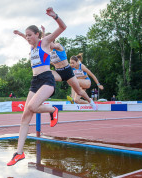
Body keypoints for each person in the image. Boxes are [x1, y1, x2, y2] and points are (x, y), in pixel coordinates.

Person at [7, 7, 65, 166]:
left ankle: (53, 110)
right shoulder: (31, 47)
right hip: (35, 81)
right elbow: (25, 38)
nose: (27, 38)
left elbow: (62, 27)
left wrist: (55, 16)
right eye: (26, 36)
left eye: (29, 35)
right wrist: (20, 34)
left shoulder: (45, 42)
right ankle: (19, 153)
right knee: (25, 116)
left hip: (47, 79)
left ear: (37, 35)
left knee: (32, 107)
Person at [14, 28, 97, 109]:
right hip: (58, 73)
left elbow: (50, 43)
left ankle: (90, 100)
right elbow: (34, 42)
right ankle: (40, 96)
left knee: (79, 91)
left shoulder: (57, 45)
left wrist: (43, 34)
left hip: (67, 71)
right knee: (43, 74)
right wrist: (21, 34)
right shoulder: (47, 50)